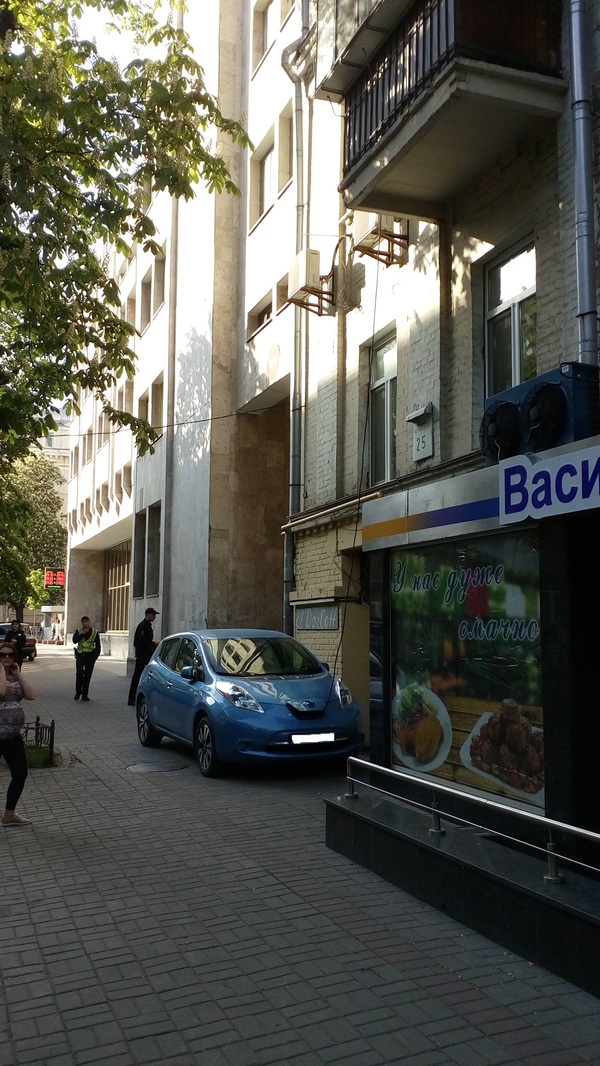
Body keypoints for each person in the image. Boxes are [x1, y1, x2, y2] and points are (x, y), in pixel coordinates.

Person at [0, 640, 35, 826]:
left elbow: (31, 695)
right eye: (2, 655)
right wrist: (1, 671)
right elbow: (0, 691)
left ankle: (9, 814)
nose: (6, 657)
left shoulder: (15, 677)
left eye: (10, 655)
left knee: (20, 773)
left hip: (12, 736)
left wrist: (19, 675)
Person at [128, 607, 159, 706]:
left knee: (148, 675)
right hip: (143, 655)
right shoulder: (143, 626)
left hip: (146, 655)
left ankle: (143, 696)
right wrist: (154, 644)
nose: (154, 617)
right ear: (148, 615)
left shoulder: (147, 625)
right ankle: (131, 698)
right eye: (153, 615)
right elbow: (140, 642)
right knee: (137, 676)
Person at [72, 616, 101, 702]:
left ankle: (85, 694)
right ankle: (78, 692)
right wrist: (83, 634)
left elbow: (98, 646)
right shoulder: (78, 631)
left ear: (89, 622)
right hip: (80, 656)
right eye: (83, 621)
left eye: (86, 621)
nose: (85, 623)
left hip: (90, 657)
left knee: (87, 676)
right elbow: (74, 640)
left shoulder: (95, 632)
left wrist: (95, 657)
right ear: (81, 623)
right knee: (79, 674)